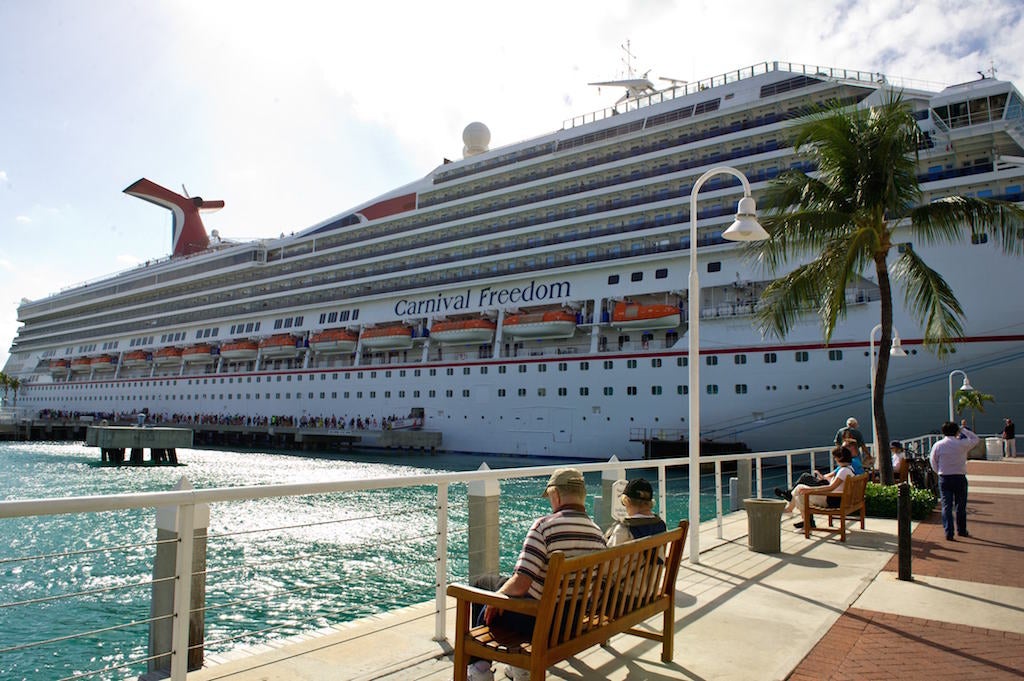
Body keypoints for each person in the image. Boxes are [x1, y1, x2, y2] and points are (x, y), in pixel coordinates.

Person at [466, 468, 607, 681]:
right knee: (487, 583)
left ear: (556, 495)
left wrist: (497, 599)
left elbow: (521, 583)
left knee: (483, 593)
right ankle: (518, 668)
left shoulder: (545, 527)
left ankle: (480, 670)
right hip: (573, 621)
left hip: (540, 623)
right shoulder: (598, 534)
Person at [783, 447, 856, 530]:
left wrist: (811, 490)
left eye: (835, 457)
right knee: (800, 489)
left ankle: (806, 523)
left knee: (800, 492)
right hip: (838, 499)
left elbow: (831, 488)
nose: (835, 460)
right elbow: (836, 485)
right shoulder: (850, 469)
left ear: (840, 458)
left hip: (832, 500)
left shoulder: (843, 471)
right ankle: (794, 512)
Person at [930, 420, 979, 540]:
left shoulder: (938, 445)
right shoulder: (962, 444)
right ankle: (961, 530)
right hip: (959, 477)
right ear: (956, 431)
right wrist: (963, 429)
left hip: (945, 477)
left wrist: (939, 472)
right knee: (960, 506)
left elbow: (933, 461)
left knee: (946, 506)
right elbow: (975, 439)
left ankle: (949, 532)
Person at [604, 478, 667, 547]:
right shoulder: (661, 525)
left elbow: (607, 554)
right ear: (650, 503)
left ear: (627, 501)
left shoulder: (624, 529)